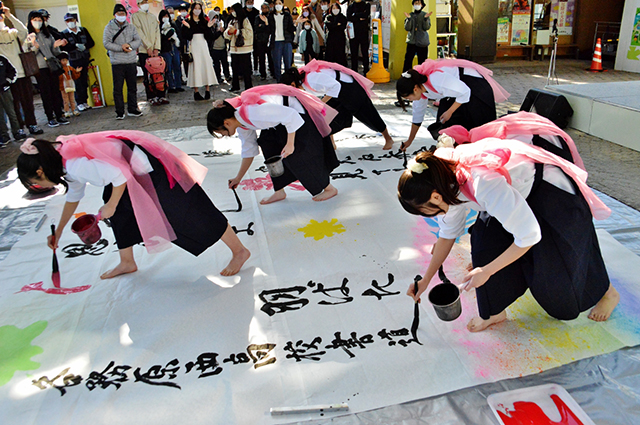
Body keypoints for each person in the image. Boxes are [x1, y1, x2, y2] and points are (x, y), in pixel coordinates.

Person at [399, 138, 619, 332]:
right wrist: (426, 280)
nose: (432, 215)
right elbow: (447, 234)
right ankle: (495, 312)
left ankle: (607, 291)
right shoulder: (441, 179)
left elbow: (529, 236)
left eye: (427, 211)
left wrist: (486, 271)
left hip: (549, 194)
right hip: (511, 194)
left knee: (561, 291)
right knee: (484, 243)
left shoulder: (482, 184)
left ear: (436, 197)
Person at [17, 132, 251, 279]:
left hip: (147, 168)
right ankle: (127, 262)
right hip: (128, 171)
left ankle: (240, 251)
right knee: (120, 214)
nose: (40, 186)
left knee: (189, 211)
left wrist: (110, 205)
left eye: (36, 183)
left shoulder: (76, 165)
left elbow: (119, 176)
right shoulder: (61, 163)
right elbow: (73, 196)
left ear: (40, 171)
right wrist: (58, 232)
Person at [207, 85, 340, 204]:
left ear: (226, 123)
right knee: (267, 144)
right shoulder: (240, 123)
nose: (223, 136)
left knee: (297, 154)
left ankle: (329, 188)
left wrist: (290, 144)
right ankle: (279, 191)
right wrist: (238, 178)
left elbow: (291, 116)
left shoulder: (252, 112)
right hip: (279, 120)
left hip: (297, 114)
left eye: (221, 132)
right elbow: (249, 150)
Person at [396, 59, 510, 150]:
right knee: (445, 126)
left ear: (415, 89)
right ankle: (455, 152)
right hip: (455, 91)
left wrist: (450, 111)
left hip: (473, 86)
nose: (410, 100)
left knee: (477, 126)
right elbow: (417, 117)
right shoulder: (419, 90)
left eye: (408, 97)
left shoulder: (436, 79)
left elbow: (465, 92)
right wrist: (409, 141)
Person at [281, 62, 395, 149]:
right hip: (336, 92)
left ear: (292, 84)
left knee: (367, 114)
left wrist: (321, 102)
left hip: (348, 88)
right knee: (328, 115)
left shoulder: (311, 79)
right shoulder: (303, 81)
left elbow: (336, 86)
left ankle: (388, 138)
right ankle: (331, 143)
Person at [23, 10, 70, 128]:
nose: (38, 22)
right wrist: (35, 46)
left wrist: (55, 47)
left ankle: (59, 114)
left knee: (55, 91)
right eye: (35, 20)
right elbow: (27, 53)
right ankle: (50, 117)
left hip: (52, 66)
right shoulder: (28, 36)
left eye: (39, 20)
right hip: (40, 68)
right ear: (30, 21)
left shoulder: (48, 34)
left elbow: (54, 52)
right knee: (45, 93)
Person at [0, 7, 42, 136]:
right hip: (8, 75)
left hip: (22, 72)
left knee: (27, 101)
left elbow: (23, 31)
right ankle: (18, 128)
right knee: (14, 104)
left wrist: (8, 14)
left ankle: (32, 125)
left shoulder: (12, 32)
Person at [103, 4, 143, 120]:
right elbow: (106, 43)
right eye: (119, 14)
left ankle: (132, 109)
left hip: (130, 61)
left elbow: (138, 40)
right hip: (117, 62)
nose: (121, 16)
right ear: (114, 15)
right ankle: (119, 111)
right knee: (118, 88)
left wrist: (129, 46)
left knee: (132, 87)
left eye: (123, 14)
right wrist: (121, 47)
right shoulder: (109, 28)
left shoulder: (131, 27)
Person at [132, 0, 168, 106]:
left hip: (155, 51)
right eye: (142, 2)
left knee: (159, 73)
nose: (145, 4)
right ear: (138, 4)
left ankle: (161, 95)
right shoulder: (136, 17)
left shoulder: (152, 16)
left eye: (145, 1)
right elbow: (139, 33)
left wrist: (156, 47)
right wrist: (148, 46)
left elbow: (157, 32)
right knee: (147, 74)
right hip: (144, 50)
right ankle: (151, 96)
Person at [182, 2, 217, 101]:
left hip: (203, 44)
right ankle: (196, 91)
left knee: (206, 64)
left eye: (199, 8)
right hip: (194, 44)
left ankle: (207, 89)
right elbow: (186, 36)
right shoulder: (188, 21)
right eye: (195, 8)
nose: (197, 10)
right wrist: (188, 27)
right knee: (195, 65)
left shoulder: (203, 21)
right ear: (192, 9)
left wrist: (209, 27)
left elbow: (209, 36)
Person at [61, 13, 95, 112]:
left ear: (75, 20)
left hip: (84, 58)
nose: (70, 22)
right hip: (74, 60)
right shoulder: (64, 34)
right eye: (67, 21)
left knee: (84, 80)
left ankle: (85, 101)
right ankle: (79, 102)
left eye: (71, 20)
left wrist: (85, 46)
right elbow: (63, 47)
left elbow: (91, 42)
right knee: (77, 81)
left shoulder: (83, 30)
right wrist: (75, 46)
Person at [225, 3, 253, 93]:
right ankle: (235, 85)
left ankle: (248, 86)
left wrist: (236, 31)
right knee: (234, 69)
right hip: (234, 50)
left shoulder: (245, 20)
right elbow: (226, 34)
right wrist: (229, 32)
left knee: (246, 70)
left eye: (233, 10)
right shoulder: (232, 21)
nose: (232, 12)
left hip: (245, 49)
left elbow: (249, 33)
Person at [0, 53, 24, 144]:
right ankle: (4, 135)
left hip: (5, 90)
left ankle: (16, 132)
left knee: (11, 112)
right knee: (0, 116)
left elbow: (12, 71)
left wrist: (8, 81)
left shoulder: (2, 59)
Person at [269, 0, 295, 82]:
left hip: (286, 42)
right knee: (277, 64)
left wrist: (296, 23)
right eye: (276, 3)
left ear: (283, 4)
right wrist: (266, 23)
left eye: (279, 3)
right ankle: (279, 81)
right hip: (276, 42)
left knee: (288, 63)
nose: (278, 5)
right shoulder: (271, 16)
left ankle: (288, 81)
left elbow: (291, 28)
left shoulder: (287, 15)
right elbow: (269, 29)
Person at [159, 9, 184, 94]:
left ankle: (178, 85)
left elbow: (179, 35)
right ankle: (170, 86)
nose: (166, 18)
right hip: (166, 49)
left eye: (167, 16)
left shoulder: (173, 24)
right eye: (164, 16)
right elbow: (161, 38)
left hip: (175, 47)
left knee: (177, 66)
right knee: (168, 69)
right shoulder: (159, 26)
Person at [403, 0, 431, 72]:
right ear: (413, 5)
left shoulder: (425, 15)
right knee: (408, 60)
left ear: (422, 5)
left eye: (418, 3)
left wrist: (425, 19)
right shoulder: (410, 15)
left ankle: (421, 77)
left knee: (422, 62)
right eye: (415, 3)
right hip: (412, 41)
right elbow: (407, 28)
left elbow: (426, 28)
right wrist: (408, 19)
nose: (417, 5)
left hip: (422, 42)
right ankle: (406, 76)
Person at [346, 0, 370, 75]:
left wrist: (355, 16)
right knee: (354, 53)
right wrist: (359, 18)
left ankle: (366, 70)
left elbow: (366, 15)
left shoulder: (366, 4)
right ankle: (354, 71)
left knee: (365, 52)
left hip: (364, 32)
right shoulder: (350, 6)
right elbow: (349, 17)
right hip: (353, 33)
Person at [208, 10, 231, 84]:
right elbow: (212, 36)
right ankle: (218, 77)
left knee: (225, 63)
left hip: (223, 47)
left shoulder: (220, 24)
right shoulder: (209, 27)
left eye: (216, 17)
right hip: (214, 48)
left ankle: (227, 75)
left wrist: (223, 31)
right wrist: (219, 32)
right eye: (214, 17)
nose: (215, 19)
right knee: (216, 64)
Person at [57, 52, 81, 118]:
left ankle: (74, 110)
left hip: (69, 86)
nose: (64, 62)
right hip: (63, 87)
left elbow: (75, 76)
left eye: (66, 60)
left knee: (72, 99)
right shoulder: (59, 69)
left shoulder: (70, 68)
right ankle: (67, 111)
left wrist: (77, 72)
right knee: (66, 100)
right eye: (63, 60)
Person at [254, 3, 275, 81]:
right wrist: (265, 26)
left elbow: (271, 29)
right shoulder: (258, 17)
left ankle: (273, 72)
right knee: (261, 59)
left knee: (271, 58)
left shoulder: (271, 17)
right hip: (260, 41)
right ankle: (263, 74)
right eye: (263, 8)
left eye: (266, 8)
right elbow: (256, 28)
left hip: (269, 40)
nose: (264, 9)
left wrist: (263, 25)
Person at [323, 2, 348, 67]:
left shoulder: (343, 17)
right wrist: (336, 24)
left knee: (340, 55)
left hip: (340, 38)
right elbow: (328, 25)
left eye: (336, 8)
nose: (335, 10)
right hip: (331, 39)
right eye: (333, 8)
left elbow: (343, 26)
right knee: (330, 54)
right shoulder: (328, 17)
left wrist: (333, 24)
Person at [244, 0, 260, 76]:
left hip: (254, 35)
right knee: (246, 53)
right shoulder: (243, 11)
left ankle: (256, 68)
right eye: (248, 2)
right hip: (245, 35)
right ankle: (248, 69)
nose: (250, 4)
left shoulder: (256, 12)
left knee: (256, 53)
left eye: (251, 2)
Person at [175, 3, 190, 80]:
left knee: (190, 60)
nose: (184, 12)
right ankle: (183, 77)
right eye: (182, 10)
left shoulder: (189, 20)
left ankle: (190, 76)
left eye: (185, 10)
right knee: (183, 61)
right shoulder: (177, 21)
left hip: (189, 43)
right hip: (181, 43)